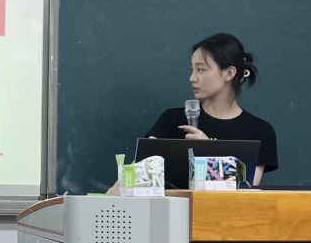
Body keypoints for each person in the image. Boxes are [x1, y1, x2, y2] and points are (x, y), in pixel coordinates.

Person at [108, 33, 278, 193]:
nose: (192, 78)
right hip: (168, 212)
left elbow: (245, 193)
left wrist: (210, 151)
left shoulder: (259, 131)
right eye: (192, 69)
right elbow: (134, 175)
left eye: (201, 70)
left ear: (229, 73)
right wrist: (114, 193)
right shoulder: (173, 120)